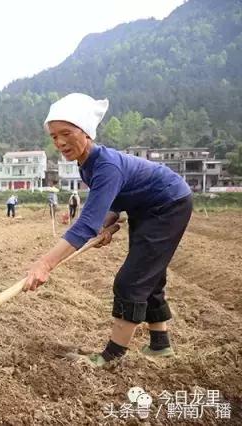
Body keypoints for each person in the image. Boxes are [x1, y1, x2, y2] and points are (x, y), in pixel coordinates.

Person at [23, 93, 192, 367]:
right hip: (146, 207)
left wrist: (45, 264)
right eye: (54, 136)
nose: (60, 142)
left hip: (167, 204)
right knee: (149, 274)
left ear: (86, 132)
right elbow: (111, 203)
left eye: (66, 133)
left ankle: (112, 356)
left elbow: (85, 224)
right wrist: (105, 225)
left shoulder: (105, 165)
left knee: (131, 280)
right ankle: (160, 346)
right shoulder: (86, 165)